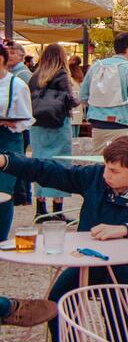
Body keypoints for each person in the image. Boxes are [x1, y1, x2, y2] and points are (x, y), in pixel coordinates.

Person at [0, 136, 128, 342]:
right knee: (58, 299)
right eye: (106, 168)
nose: (106, 175)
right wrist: (6, 161)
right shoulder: (95, 177)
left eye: (114, 171)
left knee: (114, 300)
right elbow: (51, 171)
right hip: (91, 260)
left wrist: (126, 229)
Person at [28, 44, 79, 220]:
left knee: (39, 162)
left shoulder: (34, 76)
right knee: (61, 164)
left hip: (37, 125)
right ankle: (57, 209)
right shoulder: (62, 75)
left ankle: (40, 208)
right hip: (58, 124)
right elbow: (69, 100)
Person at [80, 31, 128, 154]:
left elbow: (83, 96)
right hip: (122, 122)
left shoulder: (96, 66)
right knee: (121, 160)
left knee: (99, 160)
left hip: (97, 122)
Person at [0, 56, 33, 240]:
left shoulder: (17, 84)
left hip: (8, 139)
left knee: (4, 191)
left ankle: (1, 239)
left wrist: (8, 121)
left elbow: (26, 120)